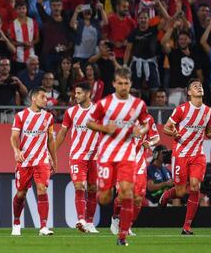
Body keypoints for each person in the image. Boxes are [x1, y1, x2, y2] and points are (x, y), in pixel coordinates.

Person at [87, 67, 149, 246]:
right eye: (120, 83)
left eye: (126, 83)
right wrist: (105, 128)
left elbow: (146, 124)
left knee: (127, 193)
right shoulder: (104, 104)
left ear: (130, 84)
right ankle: (113, 216)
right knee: (104, 198)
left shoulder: (138, 105)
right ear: (114, 84)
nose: (123, 86)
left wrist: (140, 130)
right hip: (106, 154)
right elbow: (89, 122)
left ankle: (122, 237)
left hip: (127, 154)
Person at [161, 78, 211, 235]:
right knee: (179, 192)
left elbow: (208, 133)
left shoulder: (208, 112)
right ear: (189, 92)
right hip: (180, 154)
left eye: (200, 85)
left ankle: (187, 227)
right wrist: (174, 133)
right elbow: (166, 128)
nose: (199, 87)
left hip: (198, 155)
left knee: (195, 186)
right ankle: (167, 195)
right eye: (195, 86)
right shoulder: (181, 110)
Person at [11, 86, 57, 236]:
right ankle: (16, 222)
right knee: (21, 193)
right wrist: (17, 151)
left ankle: (43, 226)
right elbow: (14, 136)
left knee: (42, 189)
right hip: (24, 160)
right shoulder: (21, 116)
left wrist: (54, 161)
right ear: (34, 98)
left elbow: (51, 140)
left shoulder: (48, 117)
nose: (46, 100)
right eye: (43, 97)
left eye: (47, 97)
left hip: (41, 159)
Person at [56, 82, 99, 233]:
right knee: (79, 186)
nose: (76, 96)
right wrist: (52, 150)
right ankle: (81, 219)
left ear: (88, 94)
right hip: (77, 155)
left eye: (79, 93)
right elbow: (62, 132)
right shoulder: (71, 112)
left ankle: (90, 222)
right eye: (75, 93)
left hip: (95, 156)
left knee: (93, 189)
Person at [111, 114, 160, 237]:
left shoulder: (148, 119)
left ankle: (127, 226)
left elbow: (156, 138)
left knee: (138, 199)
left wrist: (150, 143)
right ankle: (115, 219)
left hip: (139, 165)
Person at [0, 58, 28, 123]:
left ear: (9, 67)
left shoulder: (14, 79)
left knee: (11, 132)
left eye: (6, 65)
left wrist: (19, 83)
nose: (4, 67)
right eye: (2, 65)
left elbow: (25, 93)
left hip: (10, 111)